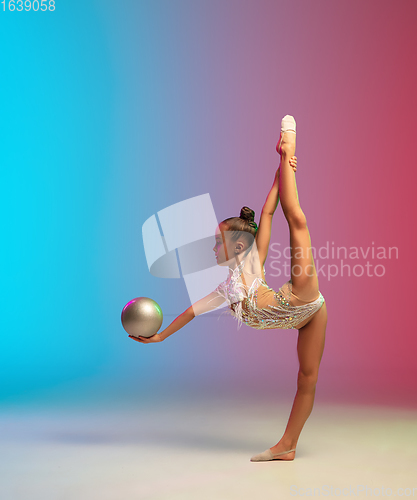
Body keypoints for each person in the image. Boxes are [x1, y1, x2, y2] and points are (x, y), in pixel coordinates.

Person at [130, 115, 328, 462]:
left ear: (238, 246)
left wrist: (282, 164)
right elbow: (191, 311)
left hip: (301, 296)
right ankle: (288, 446)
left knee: (296, 218)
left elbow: (267, 214)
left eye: (216, 241)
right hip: (307, 319)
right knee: (306, 379)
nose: (211, 247)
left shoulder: (252, 262)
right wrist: (159, 338)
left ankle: (289, 144)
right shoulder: (227, 288)